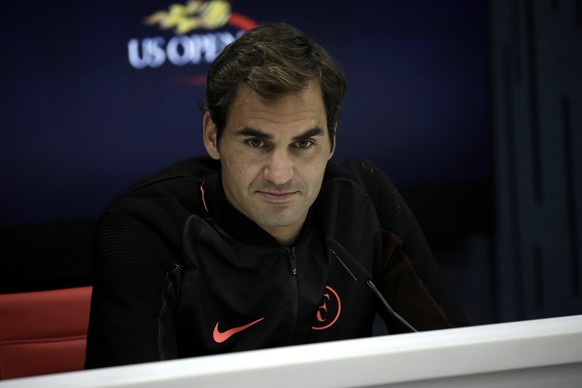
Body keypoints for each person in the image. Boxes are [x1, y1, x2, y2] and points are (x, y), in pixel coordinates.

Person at [85, 22, 468, 369]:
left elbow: (460, 361)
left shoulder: (363, 198)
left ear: (332, 139)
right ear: (212, 136)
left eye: (303, 144)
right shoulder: (148, 225)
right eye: (255, 142)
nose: (280, 175)